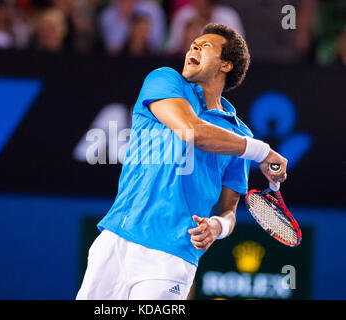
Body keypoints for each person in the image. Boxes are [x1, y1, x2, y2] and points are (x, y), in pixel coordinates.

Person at [76, 23, 287, 300]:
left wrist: (217, 227)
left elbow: (229, 211)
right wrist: (261, 151)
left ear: (226, 65)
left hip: (171, 256)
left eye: (206, 46)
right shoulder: (164, 80)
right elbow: (193, 131)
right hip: (116, 239)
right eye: (193, 44)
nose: (193, 47)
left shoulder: (240, 136)